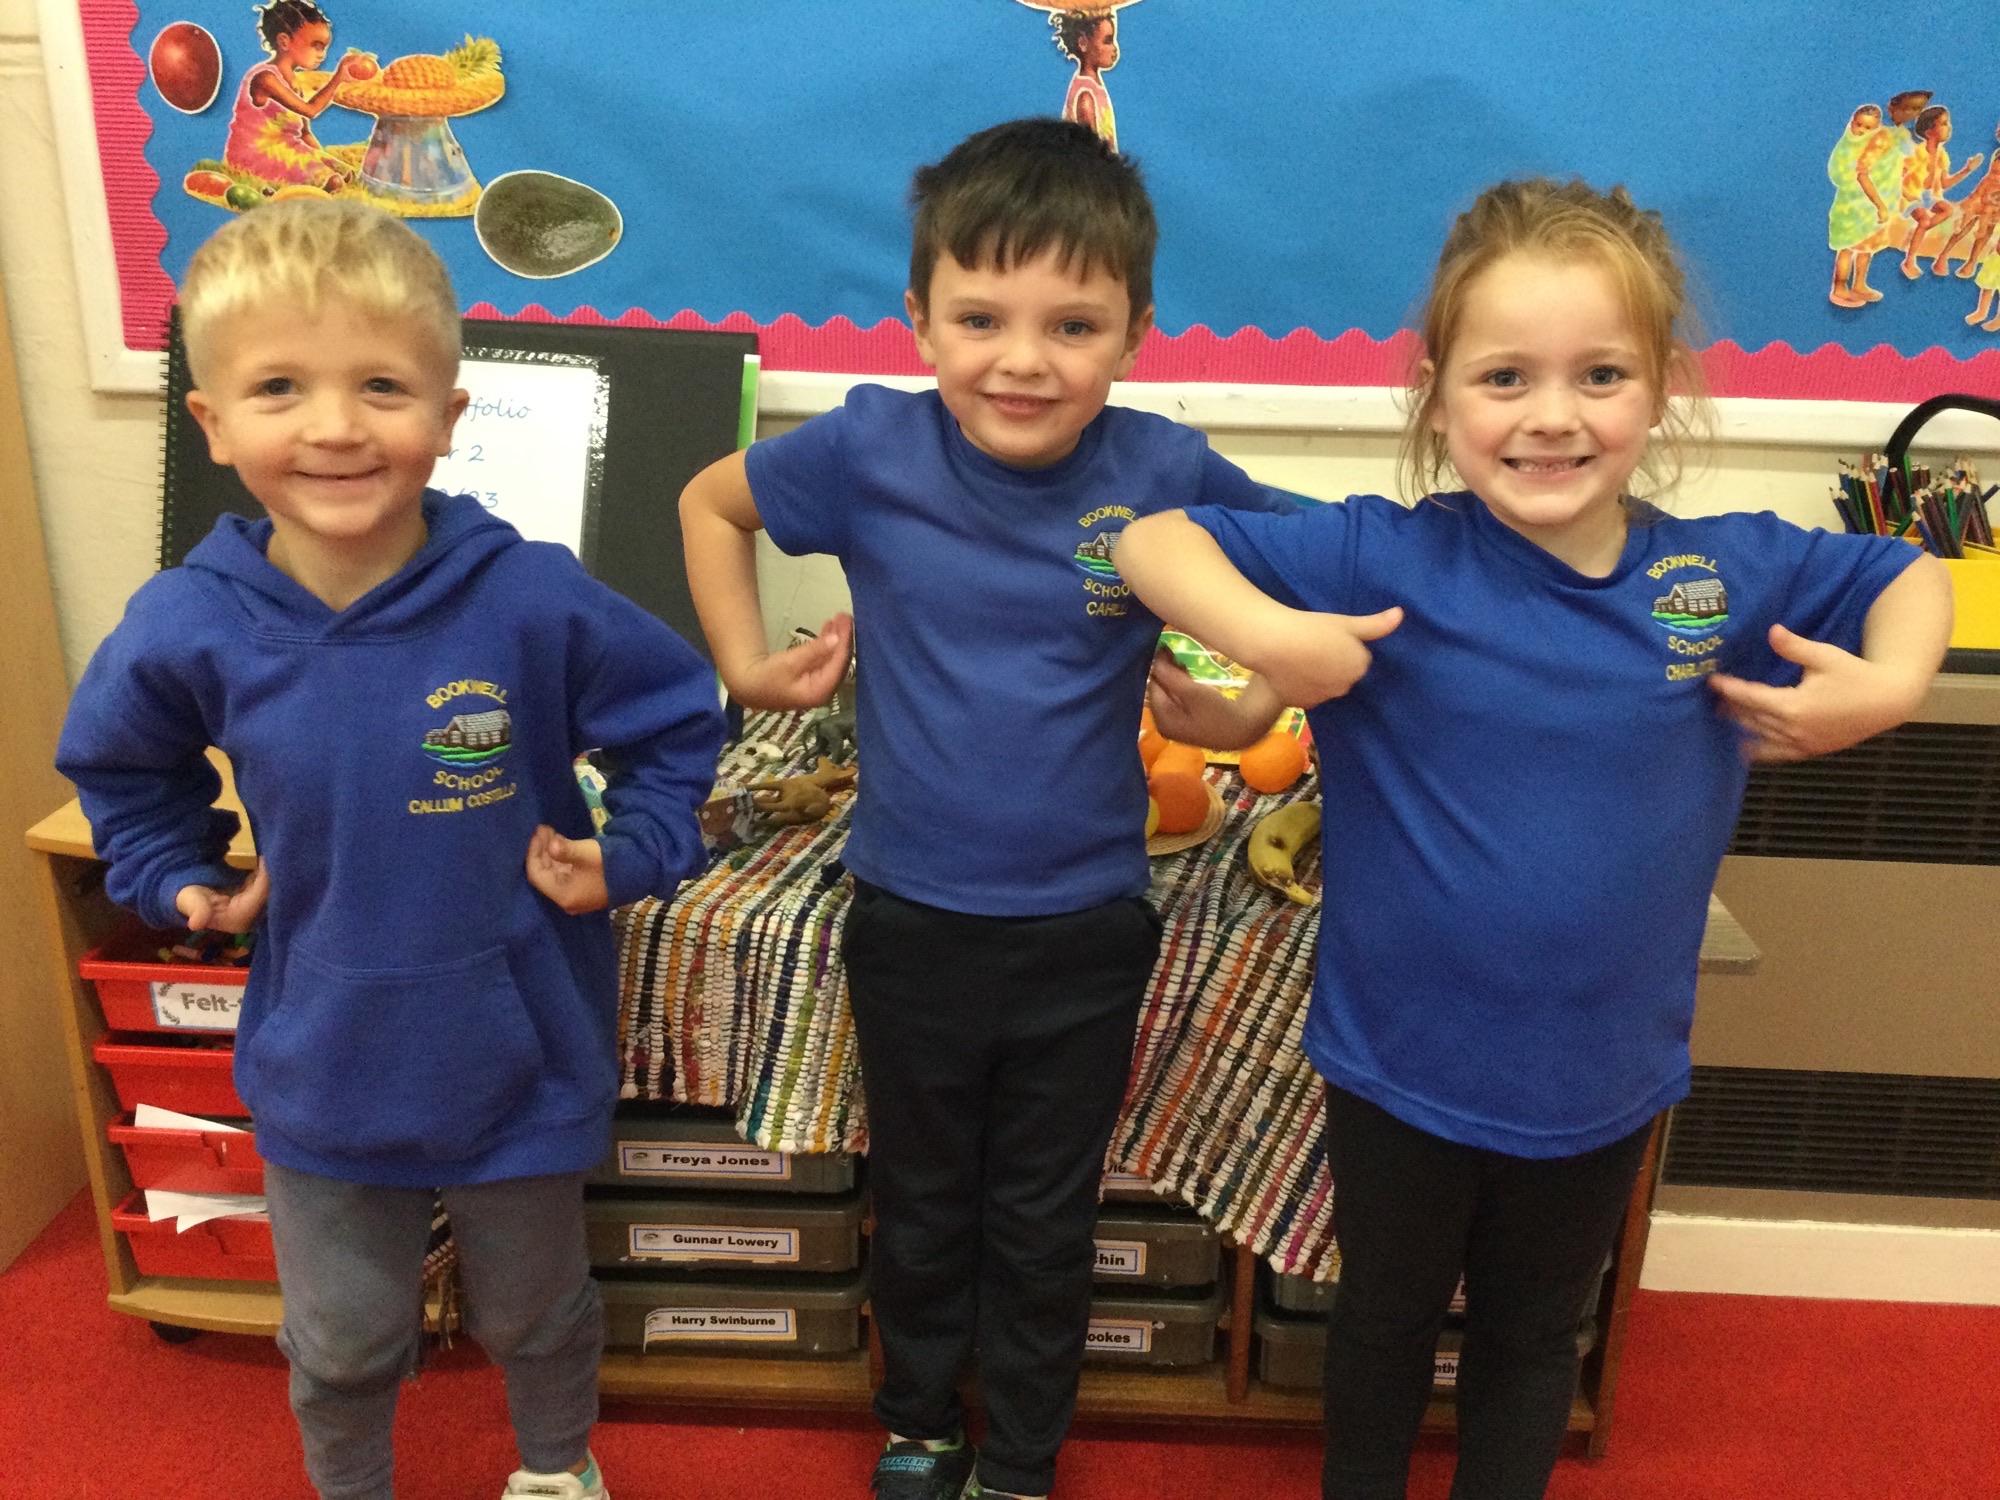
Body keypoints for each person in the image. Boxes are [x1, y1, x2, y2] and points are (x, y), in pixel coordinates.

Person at [1114, 177, 1952, 1500]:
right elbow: (1151, 541)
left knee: (1530, 1336)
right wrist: (1272, 641)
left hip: (1601, 1077)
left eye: (1598, 374)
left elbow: (1907, 570)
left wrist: (1889, 688)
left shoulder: (1715, 574)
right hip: (1396, 1065)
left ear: (1659, 388)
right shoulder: (1383, 557)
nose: (1551, 415)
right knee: (1383, 1321)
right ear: (1437, 395)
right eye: (1504, 376)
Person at [57, 197, 724, 1500]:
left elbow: (677, 718)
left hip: (519, 1054)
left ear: (449, 412)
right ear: (213, 423)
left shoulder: (528, 595)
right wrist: (177, 872)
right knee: (345, 1337)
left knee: (535, 1311)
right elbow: (122, 770)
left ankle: (555, 1470)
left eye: (380, 385)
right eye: (279, 387)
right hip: (326, 1059)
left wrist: (634, 850)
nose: (334, 426)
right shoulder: (189, 622)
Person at [679, 117, 1290, 1500]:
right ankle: (919, 1423)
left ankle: (1018, 1457)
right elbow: (711, 505)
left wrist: (1249, 708)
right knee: (923, 1201)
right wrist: (744, 664)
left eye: (1072, 324)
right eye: (980, 318)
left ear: (1133, 333)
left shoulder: (1162, 471)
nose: (1023, 359)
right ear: (919, 317)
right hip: (908, 919)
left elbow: (1309, 572)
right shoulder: (868, 450)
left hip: (1085, 930)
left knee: (1041, 1219)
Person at [224, 0, 366, 193]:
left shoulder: (296, 82)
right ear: (284, 41)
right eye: (316, 46)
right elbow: (311, 111)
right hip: (256, 154)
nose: (322, 55)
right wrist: (338, 78)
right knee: (333, 182)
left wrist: (322, 158)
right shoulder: (265, 78)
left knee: (348, 174)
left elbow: (304, 133)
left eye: (325, 48)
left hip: (289, 148)